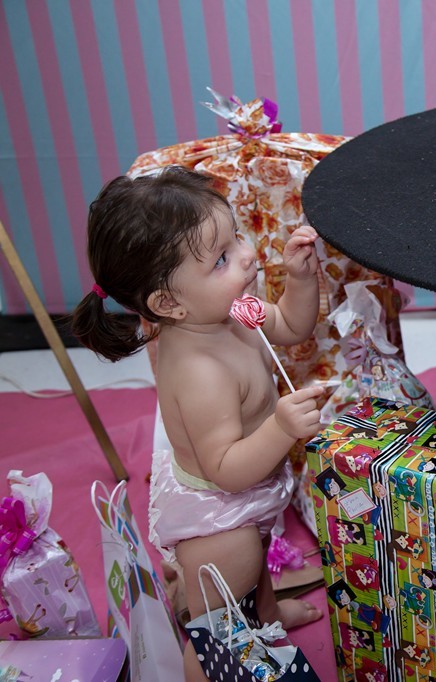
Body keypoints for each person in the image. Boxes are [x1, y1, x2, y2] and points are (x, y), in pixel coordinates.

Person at [72, 166, 325, 681]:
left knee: (256, 573)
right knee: (218, 630)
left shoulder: (231, 311)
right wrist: (282, 428)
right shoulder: (199, 371)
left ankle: (268, 615)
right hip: (220, 519)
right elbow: (227, 470)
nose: (248, 255)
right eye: (222, 258)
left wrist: (300, 280)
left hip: (250, 495)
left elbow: (290, 324)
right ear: (168, 303)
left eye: (238, 237)